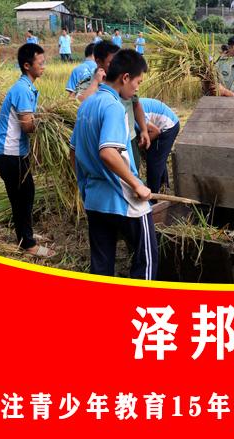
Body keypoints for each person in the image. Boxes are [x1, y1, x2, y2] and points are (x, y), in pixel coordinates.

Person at [70, 49, 157, 279]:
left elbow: (73, 151)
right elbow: (108, 153)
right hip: (124, 198)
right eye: (138, 82)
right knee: (146, 260)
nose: (137, 88)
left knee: (101, 266)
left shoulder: (87, 104)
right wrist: (137, 185)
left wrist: (83, 185)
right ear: (125, 77)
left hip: (95, 199)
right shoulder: (114, 107)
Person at [0, 43, 55, 257]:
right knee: (23, 196)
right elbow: (27, 126)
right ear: (27, 65)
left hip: (14, 152)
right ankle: (28, 244)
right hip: (9, 153)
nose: (43, 66)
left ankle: (25, 235)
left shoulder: (27, 87)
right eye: (40, 63)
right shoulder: (22, 89)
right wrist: (49, 122)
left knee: (22, 195)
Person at [76, 41, 151, 173]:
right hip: (106, 142)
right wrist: (95, 82)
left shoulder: (126, 84)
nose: (117, 65)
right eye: (112, 62)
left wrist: (144, 130)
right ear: (98, 62)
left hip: (128, 138)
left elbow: (136, 105)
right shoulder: (95, 87)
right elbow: (79, 104)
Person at [137, 98, 180, 195]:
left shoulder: (135, 115)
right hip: (160, 123)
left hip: (168, 126)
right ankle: (163, 186)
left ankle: (153, 196)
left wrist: (139, 147)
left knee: (154, 162)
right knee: (158, 157)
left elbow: (155, 131)